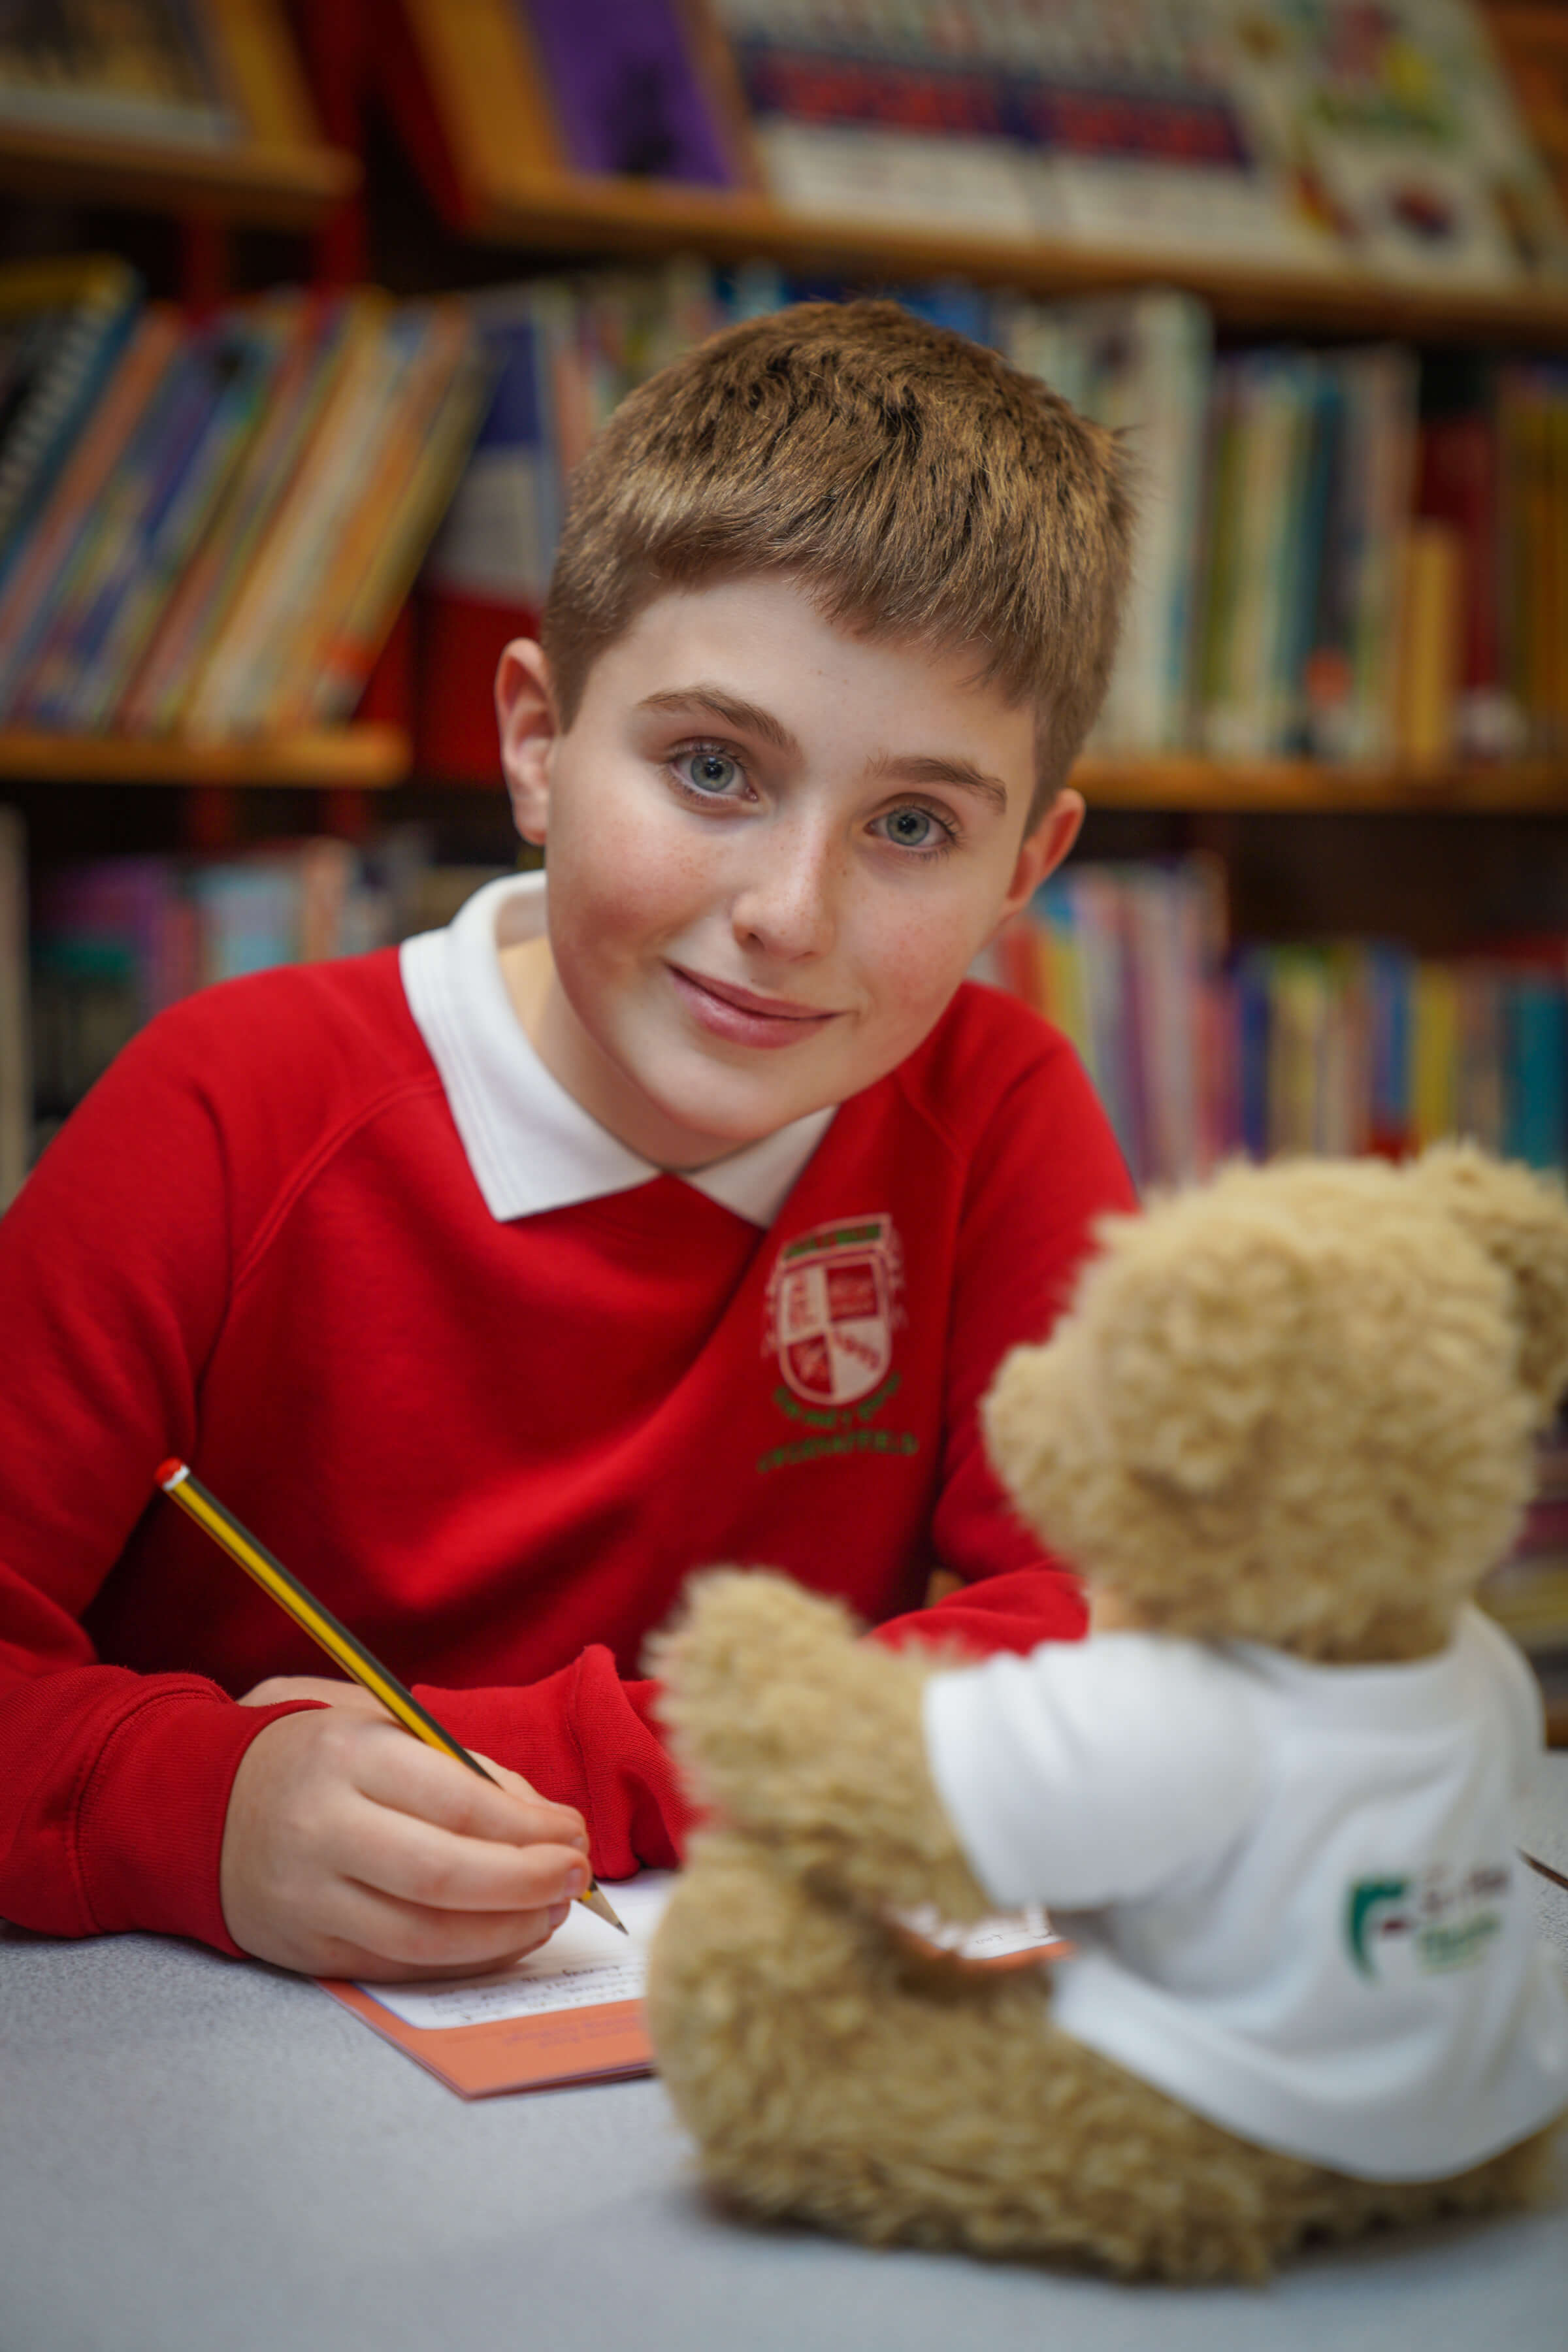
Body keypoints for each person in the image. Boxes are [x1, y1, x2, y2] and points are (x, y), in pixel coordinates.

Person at [0, 300, 1137, 1984]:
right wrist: (203, 1806)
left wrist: (571, 1768)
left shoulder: (999, 1111)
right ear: (536, 744)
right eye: (709, 767)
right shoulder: (228, 1111)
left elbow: (1115, 1651)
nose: (786, 912)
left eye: (912, 824)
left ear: (1029, 866)